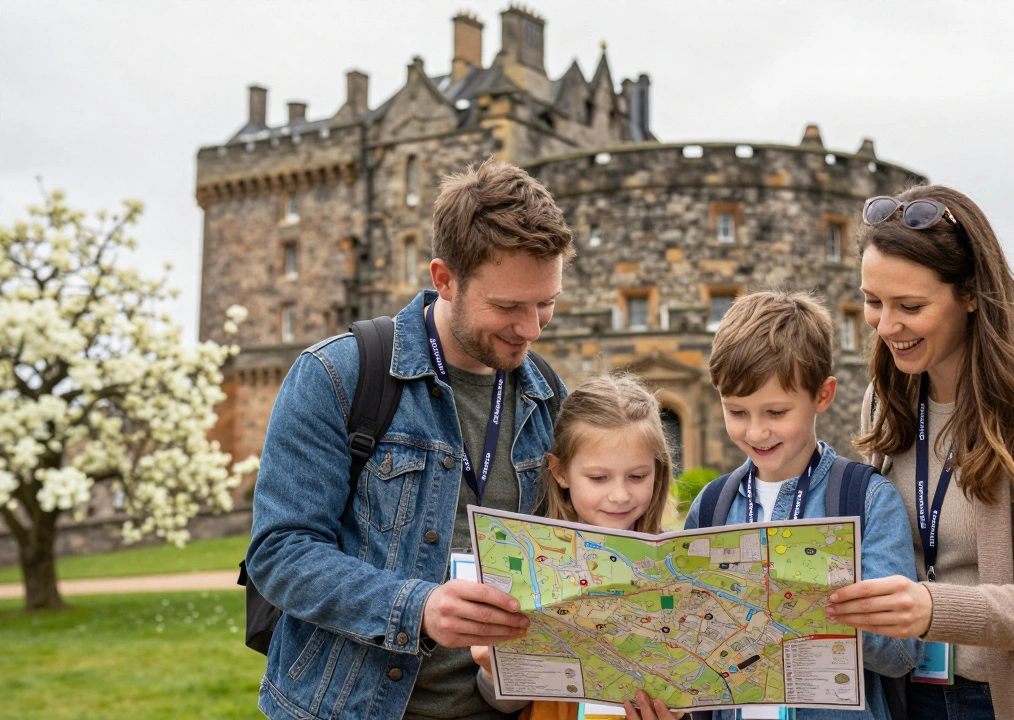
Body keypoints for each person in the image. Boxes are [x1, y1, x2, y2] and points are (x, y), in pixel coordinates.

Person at [246, 158, 580, 720]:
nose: (532, 328)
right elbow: (280, 553)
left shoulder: (548, 395)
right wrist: (417, 608)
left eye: (545, 303)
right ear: (444, 279)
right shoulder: (337, 375)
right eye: (507, 307)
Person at [826, 186, 1014, 719]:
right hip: (913, 696)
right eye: (873, 302)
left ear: (970, 294)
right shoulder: (885, 398)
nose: (885, 325)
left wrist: (932, 609)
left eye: (911, 306)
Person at [684, 290, 922, 720]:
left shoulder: (868, 499)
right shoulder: (711, 506)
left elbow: (902, 654)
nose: (756, 432)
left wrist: (817, 603)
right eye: (737, 412)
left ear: (823, 395)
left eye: (776, 412)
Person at [470, 374, 682, 720]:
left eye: (638, 476)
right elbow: (503, 703)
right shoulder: (530, 563)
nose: (620, 495)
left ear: (657, 471)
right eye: (599, 478)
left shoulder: (676, 567)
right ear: (561, 472)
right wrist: (493, 669)